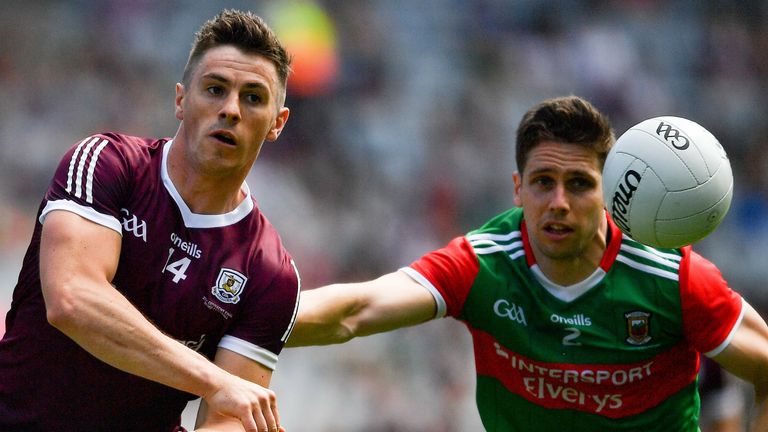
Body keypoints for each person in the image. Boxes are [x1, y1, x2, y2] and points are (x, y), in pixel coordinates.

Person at [287, 96, 768, 431]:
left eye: (579, 183)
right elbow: (357, 308)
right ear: (518, 189)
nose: (558, 201)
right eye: (543, 182)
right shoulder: (484, 265)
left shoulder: (674, 279)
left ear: (609, 191)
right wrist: (241, 315)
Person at [0, 9, 299, 432]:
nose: (231, 109)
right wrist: (214, 380)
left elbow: (230, 417)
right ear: (181, 100)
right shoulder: (105, 163)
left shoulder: (271, 273)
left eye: (253, 97)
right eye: (215, 89)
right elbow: (72, 299)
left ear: (276, 123)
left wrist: (224, 398)